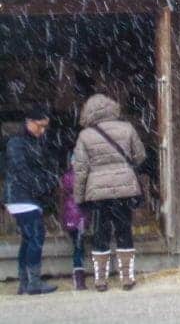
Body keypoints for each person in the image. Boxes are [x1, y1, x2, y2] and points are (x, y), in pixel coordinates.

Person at [73, 94, 146, 292]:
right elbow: (140, 156)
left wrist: (78, 197)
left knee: (100, 234)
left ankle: (100, 280)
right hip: (124, 188)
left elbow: (80, 169)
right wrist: (124, 165)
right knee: (124, 231)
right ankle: (127, 277)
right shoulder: (127, 128)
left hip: (98, 193)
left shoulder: (85, 136)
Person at [3, 104, 59, 295]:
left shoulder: (31, 142)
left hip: (25, 196)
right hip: (21, 196)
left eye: (45, 127)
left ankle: (25, 282)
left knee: (28, 239)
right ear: (29, 122)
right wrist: (43, 184)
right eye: (40, 125)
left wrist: (47, 180)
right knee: (36, 236)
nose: (42, 130)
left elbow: (41, 168)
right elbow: (23, 171)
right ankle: (32, 282)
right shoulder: (16, 143)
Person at [61, 153, 87, 290]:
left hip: (69, 216)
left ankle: (78, 276)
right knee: (79, 248)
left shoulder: (66, 176)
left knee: (77, 246)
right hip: (81, 217)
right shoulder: (83, 176)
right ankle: (79, 278)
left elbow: (64, 194)